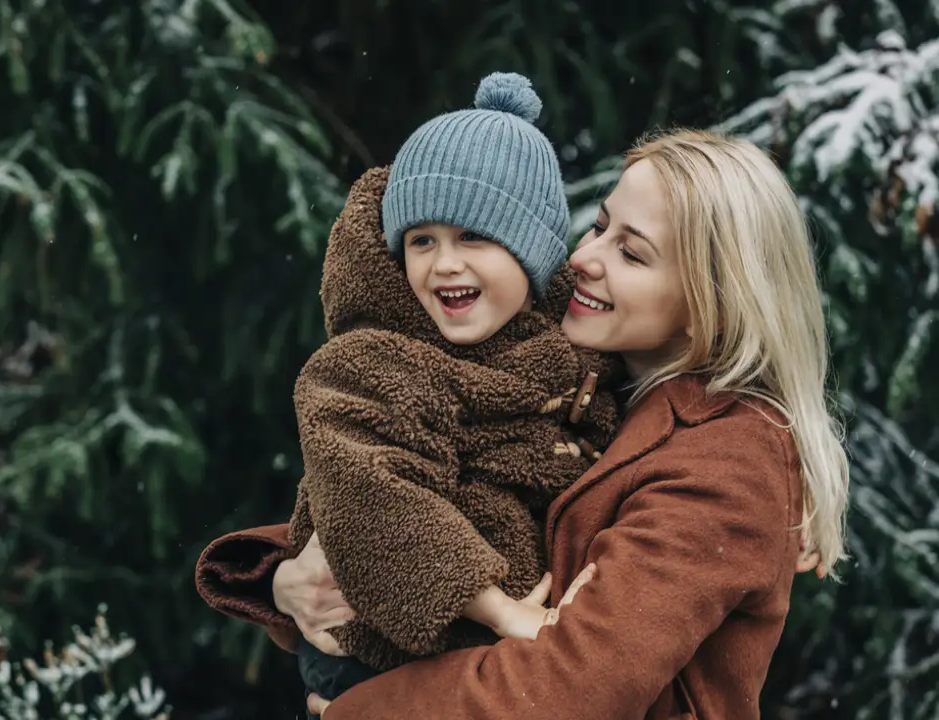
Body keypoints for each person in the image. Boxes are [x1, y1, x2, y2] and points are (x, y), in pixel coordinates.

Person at [195, 128, 846, 719]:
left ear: (715, 301)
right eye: (598, 226)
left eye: (632, 253)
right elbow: (429, 491)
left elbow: (567, 689)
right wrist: (286, 578)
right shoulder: (596, 388)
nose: (586, 257)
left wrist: (360, 712)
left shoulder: (726, 461)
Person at [280, 71, 619, 714]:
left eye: (475, 237)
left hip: (491, 674)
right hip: (378, 666)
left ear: (533, 258)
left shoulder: (566, 362)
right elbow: (372, 494)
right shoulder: (371, 361)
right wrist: (499, 613)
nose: (444, 264)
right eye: (421, 241)